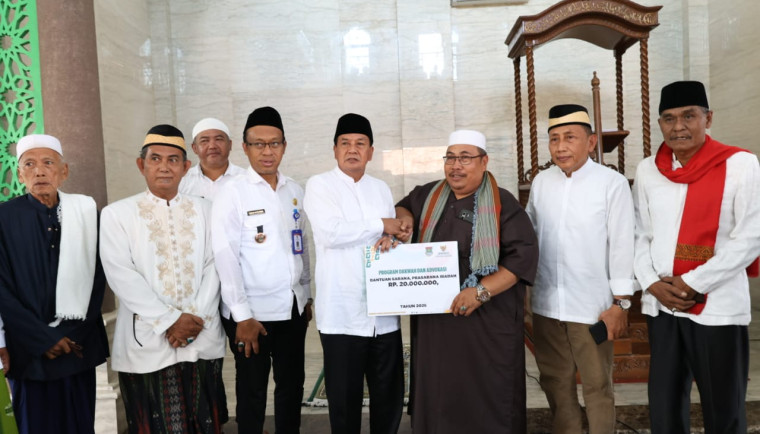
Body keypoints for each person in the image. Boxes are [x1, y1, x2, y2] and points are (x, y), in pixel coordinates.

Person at [633, 81, 760, 433]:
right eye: (669, 118)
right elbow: (639, 233)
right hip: (663, 307)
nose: (678, 127)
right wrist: (652, 283)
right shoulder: (648, 169)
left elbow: (751, 237)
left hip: (717, 308)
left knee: (724, 409)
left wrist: (692, 282)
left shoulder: (741, 164)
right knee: (665, 408)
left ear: (708, 118)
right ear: (660, 124)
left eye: (689, 116)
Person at [395, 130, 538, 433]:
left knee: (488, 395)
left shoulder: (502, 203)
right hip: (436, 324)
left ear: (484, 162)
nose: (455, 166)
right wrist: (405, 219)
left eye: (465, 158)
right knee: (439, 391)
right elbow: (403, 206)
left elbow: (522, 259)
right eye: (450, 158)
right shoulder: (429, 195)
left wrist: (481, 292)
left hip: (487, 321)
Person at [100, 125, 227, 434]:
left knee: (204, 421)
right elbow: (121, 274)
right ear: (141, 165)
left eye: (173, 160)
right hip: (147, 335)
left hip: (200, 331)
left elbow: (216, 265)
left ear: (186, 167)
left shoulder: (207, 209)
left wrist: (193, 318)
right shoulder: (117, 214)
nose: (164, 167)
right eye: (155, 159)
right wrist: (170, 320)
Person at [526, 105, 635, 433]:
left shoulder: (611, 183)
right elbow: (529, 234)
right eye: (554, 139)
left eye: (570, 138)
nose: (560, 147)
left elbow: (622, 244)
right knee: (555, 382)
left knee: (597, 386)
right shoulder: (541, 182)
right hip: (546, 304)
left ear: (590, 142)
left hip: (593, 307)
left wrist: (621, 303)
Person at [304, 113, 408, 434]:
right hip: (342, 313)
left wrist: (392, 236)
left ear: (371, 152)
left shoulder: (381, 188)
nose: (352, 149)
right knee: (345, 402)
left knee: (388, 397)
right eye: (345, 143)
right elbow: (330, 233)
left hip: (384, 314)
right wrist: (381, 224)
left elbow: (387, 236)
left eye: (360, 143)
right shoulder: (320, 185)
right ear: (334, 149)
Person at [212, 106, 312, 433]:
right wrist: (241, 315)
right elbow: (225, 255)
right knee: (252, 391)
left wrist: (306, 294)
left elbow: (302, 245)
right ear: (245, 147)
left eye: (274, 143)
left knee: (291, 386)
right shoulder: (232, 192)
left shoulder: (294, 190)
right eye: (259, 144)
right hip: (252, 315)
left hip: (292, 308)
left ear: (284, 146)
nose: (267, 151)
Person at [0, 134, 109, 434]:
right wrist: (42, 339)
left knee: (80, 425)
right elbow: (2, 290)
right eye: (29, 164)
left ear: (64, 171)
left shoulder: (86, 213)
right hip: (29, 350)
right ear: (19, 174)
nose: (39, 171)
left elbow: (97, 280)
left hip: (76, 346)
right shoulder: (4, 218)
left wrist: (68, 334)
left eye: (48, 163)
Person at [179, 117, 245, 200]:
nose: (212, 146)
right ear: (194, 148)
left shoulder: (246, 179)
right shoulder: (182, 181)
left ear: (230, 145)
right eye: (204, 141)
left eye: (218, 139)